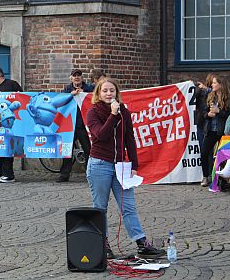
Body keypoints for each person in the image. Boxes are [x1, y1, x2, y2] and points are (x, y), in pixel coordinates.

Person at [86, 77, 166, 259]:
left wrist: (135, 165)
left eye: (112, 91)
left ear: (117, 93)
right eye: (105, 90)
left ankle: (141, 243)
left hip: (121, 166)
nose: (108, 94)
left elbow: (130, 138)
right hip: (100, 164)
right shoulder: (93, 112)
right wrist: (113, 116)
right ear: (98, 93)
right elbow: (100, 135)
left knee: (128, 206)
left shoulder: (124, 112)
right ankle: (103, 243)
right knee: (100, 207)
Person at [57, 68, 94, 183]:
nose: (76, 77)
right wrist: (70, 95)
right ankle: (64, 175)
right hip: (69, 125)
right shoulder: (67, 89)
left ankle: (90, 174)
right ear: (71, 78)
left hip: (83, 124)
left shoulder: (89, 89)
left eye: (78, 75)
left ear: (82, 77)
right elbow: (60, 101)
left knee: (88, 150)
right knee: (67, 151)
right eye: (74, 75)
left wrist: (84, 94)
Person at [0, 67, 23, 183]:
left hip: (10, 124)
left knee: (7, 148)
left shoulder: (12, 84)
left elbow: (22, 97)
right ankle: (2, 173)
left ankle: (9, 175)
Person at [200, 76, 230, 187]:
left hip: (222, 131)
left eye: (214, 83)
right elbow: (204, 113)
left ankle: (224, 178)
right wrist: (208, 115)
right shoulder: (209, 96)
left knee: (223, 155)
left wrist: (219, 111)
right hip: (210, 130)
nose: (212, 85)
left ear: (220, 85)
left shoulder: (228, 99)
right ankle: (206, 176)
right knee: (204, 153)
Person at [194, 74, 214, 149]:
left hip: (207, 123)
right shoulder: (202, 92)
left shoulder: (209, 91)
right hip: (202, 121)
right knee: (203, 148)